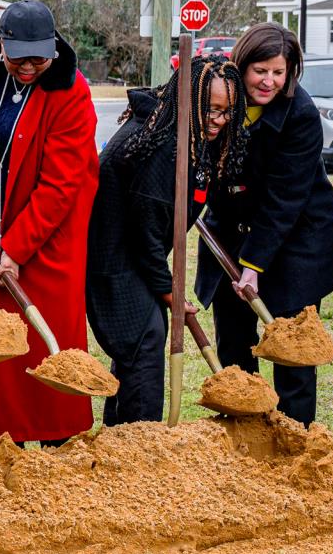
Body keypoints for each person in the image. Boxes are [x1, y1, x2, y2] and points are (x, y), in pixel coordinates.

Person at [0, 1, 99, 446]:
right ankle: (8, 447)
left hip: (41, 246)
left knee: (36, 352)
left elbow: (61, 185)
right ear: (1, 48)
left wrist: (16, 248)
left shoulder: (71, 93)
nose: (30, 66)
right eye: (19, 58)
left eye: (40, 57)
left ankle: (55, 447)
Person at [87, 56, 249, 426]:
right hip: (115, 260)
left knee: (138, 347)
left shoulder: (172, 130)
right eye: (210, 109)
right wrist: (170, 292)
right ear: (186, 99)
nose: (219, 120)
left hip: (134, 256)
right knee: (145, 341)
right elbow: (146, 232)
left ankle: (121, 435)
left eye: (227, 112)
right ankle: (139, 442)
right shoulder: (163, 148)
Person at [194, 22, 333, 425]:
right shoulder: (220, 96)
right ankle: (244, 430)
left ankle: (295, 435)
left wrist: (254, 265)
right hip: (230, 232)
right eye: (261, 70)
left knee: (292, 348)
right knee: (234, 341)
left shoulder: (301, 114)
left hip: (297, 241)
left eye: (279, 72)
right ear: (242, 64)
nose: (269, 81)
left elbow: (284, 199)